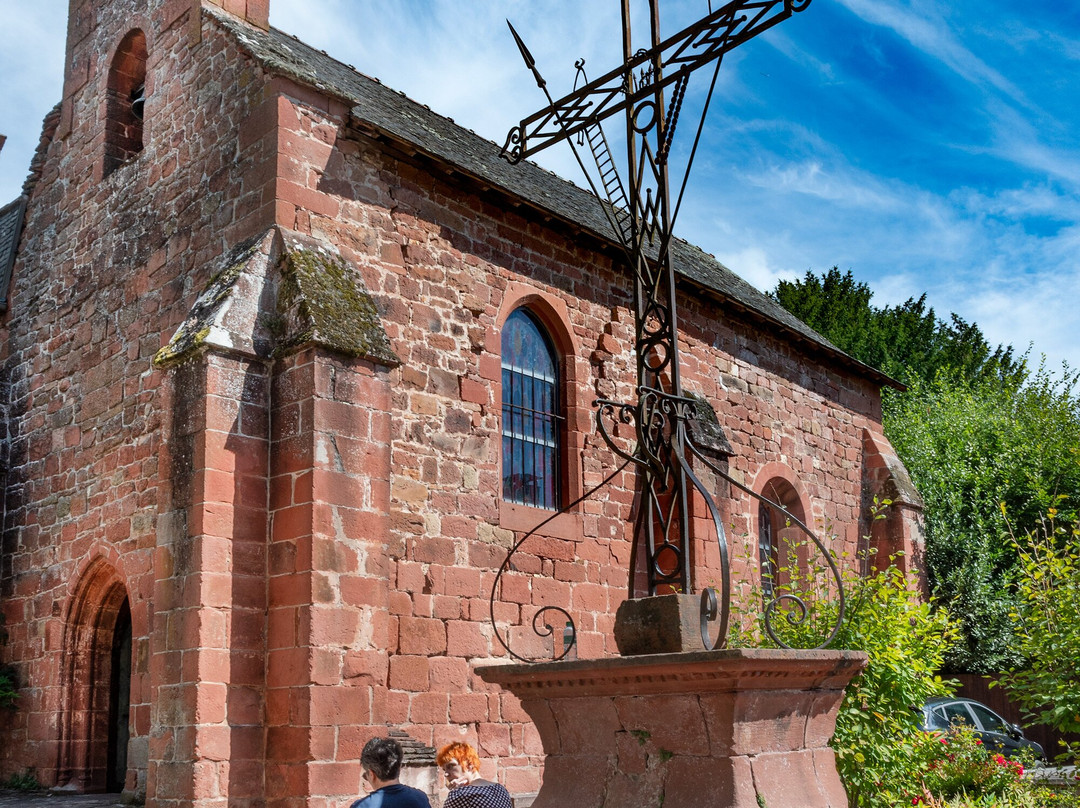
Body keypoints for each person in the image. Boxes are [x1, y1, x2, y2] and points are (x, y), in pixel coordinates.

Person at [349, 737, 431, 808]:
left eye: (365, 775)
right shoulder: (420, 798)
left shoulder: (361, 806)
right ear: (399, 768)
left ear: (371, 774)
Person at [436, 742, 513, 808]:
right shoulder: (501, 789)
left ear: (470, 764)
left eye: (451, 766)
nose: (446, 774)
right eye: (444, 769)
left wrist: (456, 792)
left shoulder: (461, 795)